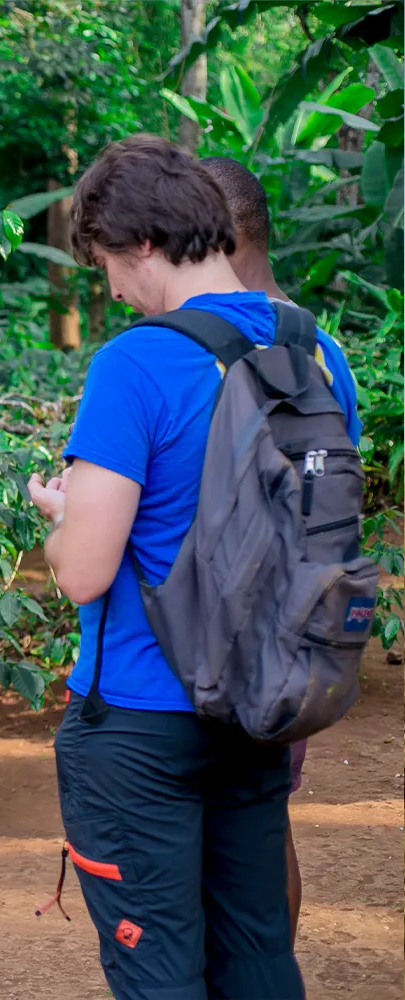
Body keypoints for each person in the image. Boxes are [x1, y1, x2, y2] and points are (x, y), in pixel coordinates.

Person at [28, 135, 360, 1000]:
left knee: (157, 967)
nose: (109, 288)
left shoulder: (137, 362)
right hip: (258, 700)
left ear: (141, 243)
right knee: (256, 952)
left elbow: (84, 574)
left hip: (140, 718)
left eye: (104, 262)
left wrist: (61, 521)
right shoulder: (320, 355)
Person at [202, 154, 346, 942]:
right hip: (299, 634)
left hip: (218, 636)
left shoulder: (202, 347)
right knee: (264, 826)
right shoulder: (326, 351)